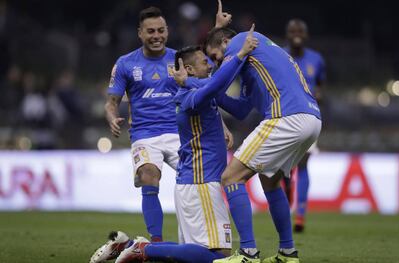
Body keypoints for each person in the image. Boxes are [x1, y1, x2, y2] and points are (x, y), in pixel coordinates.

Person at [92, 28, 258, 263]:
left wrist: (249, 78)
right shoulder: (189, 96)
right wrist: (240, 54)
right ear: (188, 70)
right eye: (204, 62)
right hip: (201, 183)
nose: (210, 65)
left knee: (196, 252)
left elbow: (240, 109)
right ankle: (143, 250)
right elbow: (216, 83)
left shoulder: (197, 89)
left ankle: (127, 246)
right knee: (217, 256)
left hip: (196, 183)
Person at [203, 16, 321, 263]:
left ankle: (248, 253)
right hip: (312, 119)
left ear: (225, 41)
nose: (217, 62)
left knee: (230, 177)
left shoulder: (240, 42)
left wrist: (199, 84)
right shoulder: (251, 67)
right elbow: (242, 110)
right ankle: (288, 253)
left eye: (215, 57)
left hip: (287, 116)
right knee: (269, 180)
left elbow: (217, 82)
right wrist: (212, 94)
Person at [283, 18, 326, 232]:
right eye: (292, 31)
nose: (296, 34)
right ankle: (287, 184)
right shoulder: (281, 56)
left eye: (300, 30)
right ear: (287, 35)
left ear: (306, 35)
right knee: (284, 167)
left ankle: (300, 214)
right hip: (283, 116)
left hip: (309, 116)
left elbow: (320, 86)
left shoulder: (316, 59)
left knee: (304, 163)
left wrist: (318, 95)